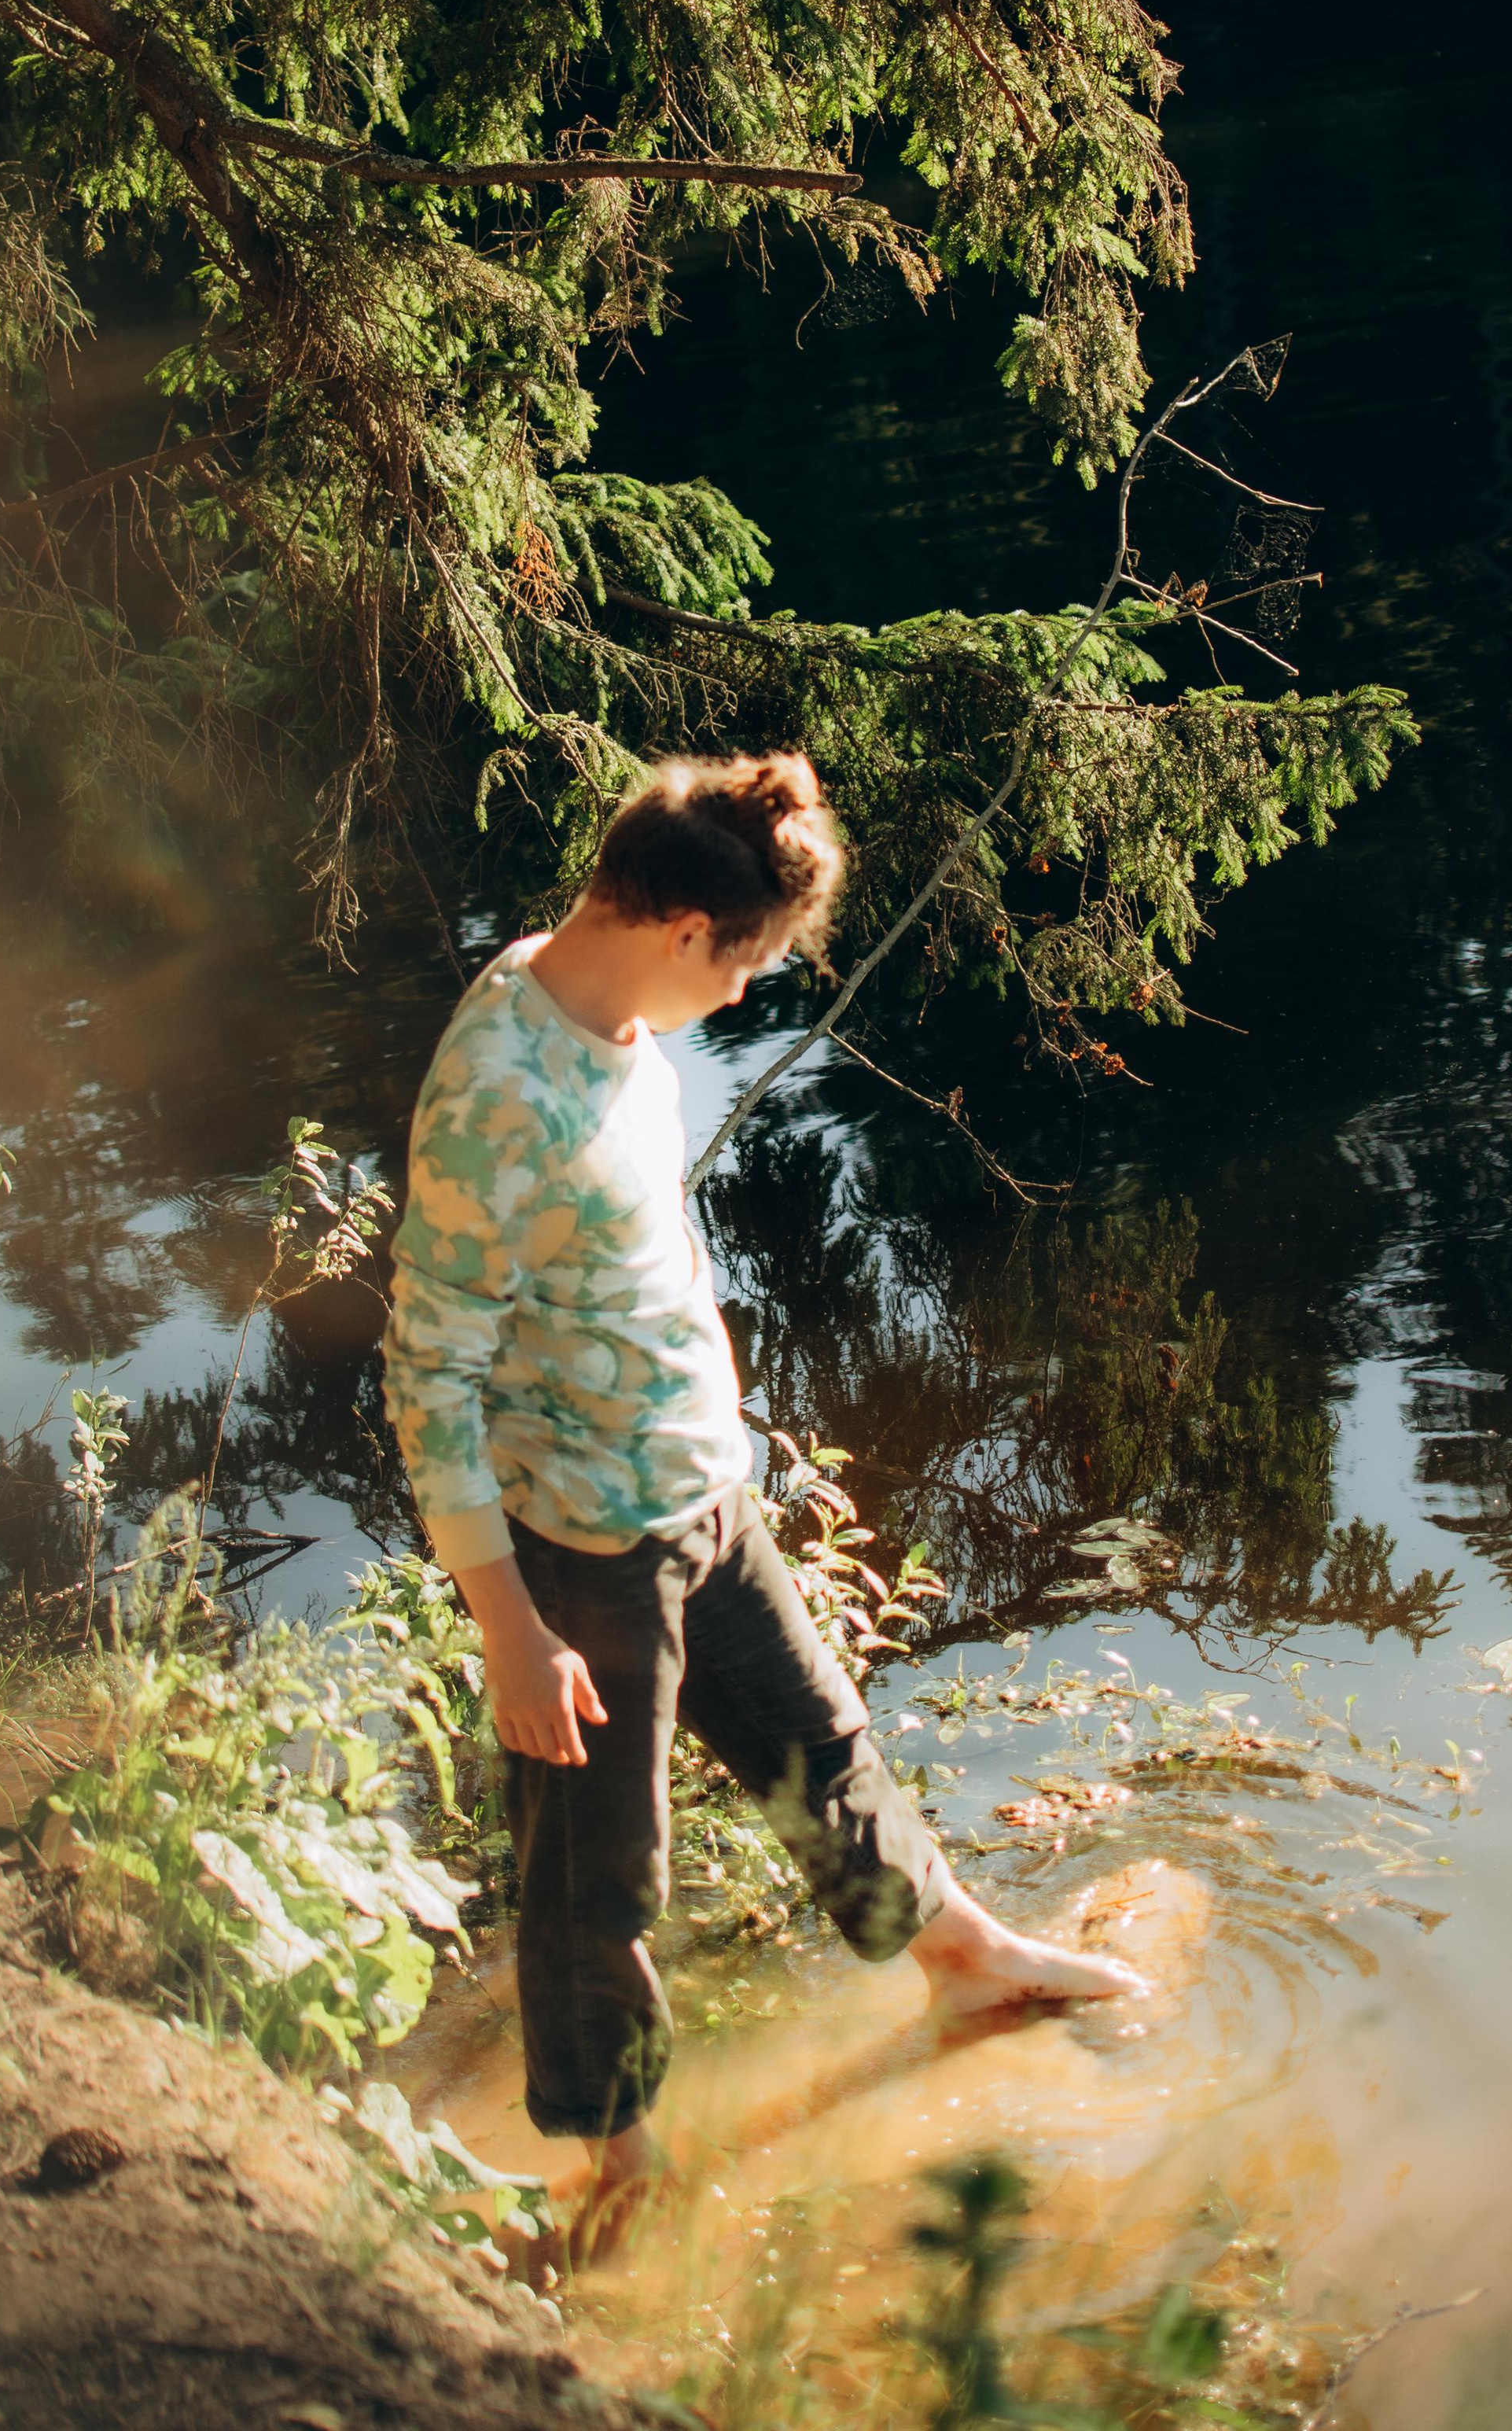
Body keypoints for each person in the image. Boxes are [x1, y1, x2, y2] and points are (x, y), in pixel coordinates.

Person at [383, 752, 1143, 2252]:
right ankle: (618, 2171)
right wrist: (511, 1629)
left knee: (823, 1747)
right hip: (588, 1549)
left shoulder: (601, 1008)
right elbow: (428, 1381)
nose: (744, 997)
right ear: (681, 933)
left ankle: (966, 1960)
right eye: (747, 967)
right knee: (593, 1887)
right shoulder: (496, 1095)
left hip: (701, 1495)